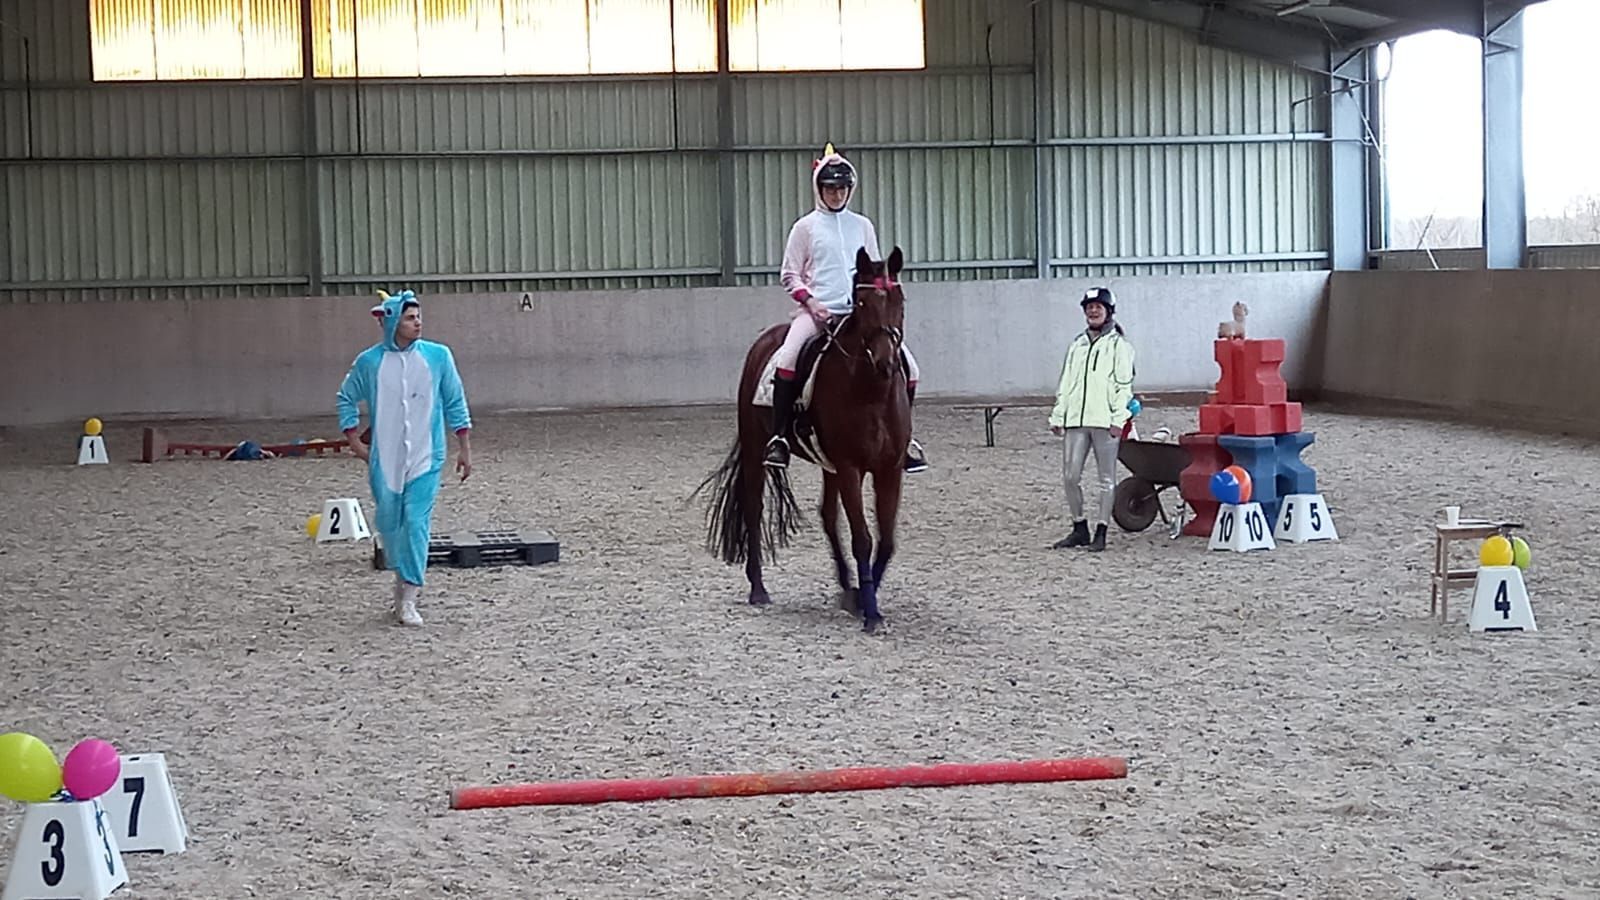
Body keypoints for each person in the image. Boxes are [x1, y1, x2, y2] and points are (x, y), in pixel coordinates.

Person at [767, 143, 928, 474]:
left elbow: (876, 270)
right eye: (830, 189)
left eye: (842, 189)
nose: (837, 194)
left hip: (861, 315)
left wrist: (881, 300)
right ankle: (780, 436)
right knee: (787, 358)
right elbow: (789, 274)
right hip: (818, 312)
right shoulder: (805, 228)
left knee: (909, 367)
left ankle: (905, 439)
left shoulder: (862, 226)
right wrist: (811, 303)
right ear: (820, 190)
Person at [336, 289, 473, 627]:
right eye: (410, 318)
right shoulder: (369, 362)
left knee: (415, 521)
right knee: (391, 525)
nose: (418, 323)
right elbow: (346, 397)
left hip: (427, 456)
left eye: (419, 317)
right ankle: (401, 584)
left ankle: (409, 595)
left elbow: (455, 400)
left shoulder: (439, 356)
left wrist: (464, 447)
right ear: (393, 322)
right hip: (386, 460)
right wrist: (354, 441)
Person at [1048, 286, 1135, 552]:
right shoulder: (1078, 345)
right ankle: (1079, 527)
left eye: (1098, 307)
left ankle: (1102, 530)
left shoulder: (1120, 347)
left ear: (1108, 311)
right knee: (1070, 476)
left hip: (1105, 422)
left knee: (1106, 478)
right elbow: (1066, 383)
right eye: (1089, 307)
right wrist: (1059, 414)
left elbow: (1124, 387)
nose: (1093, 311)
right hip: (1076, 420)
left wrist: (1118, 419)